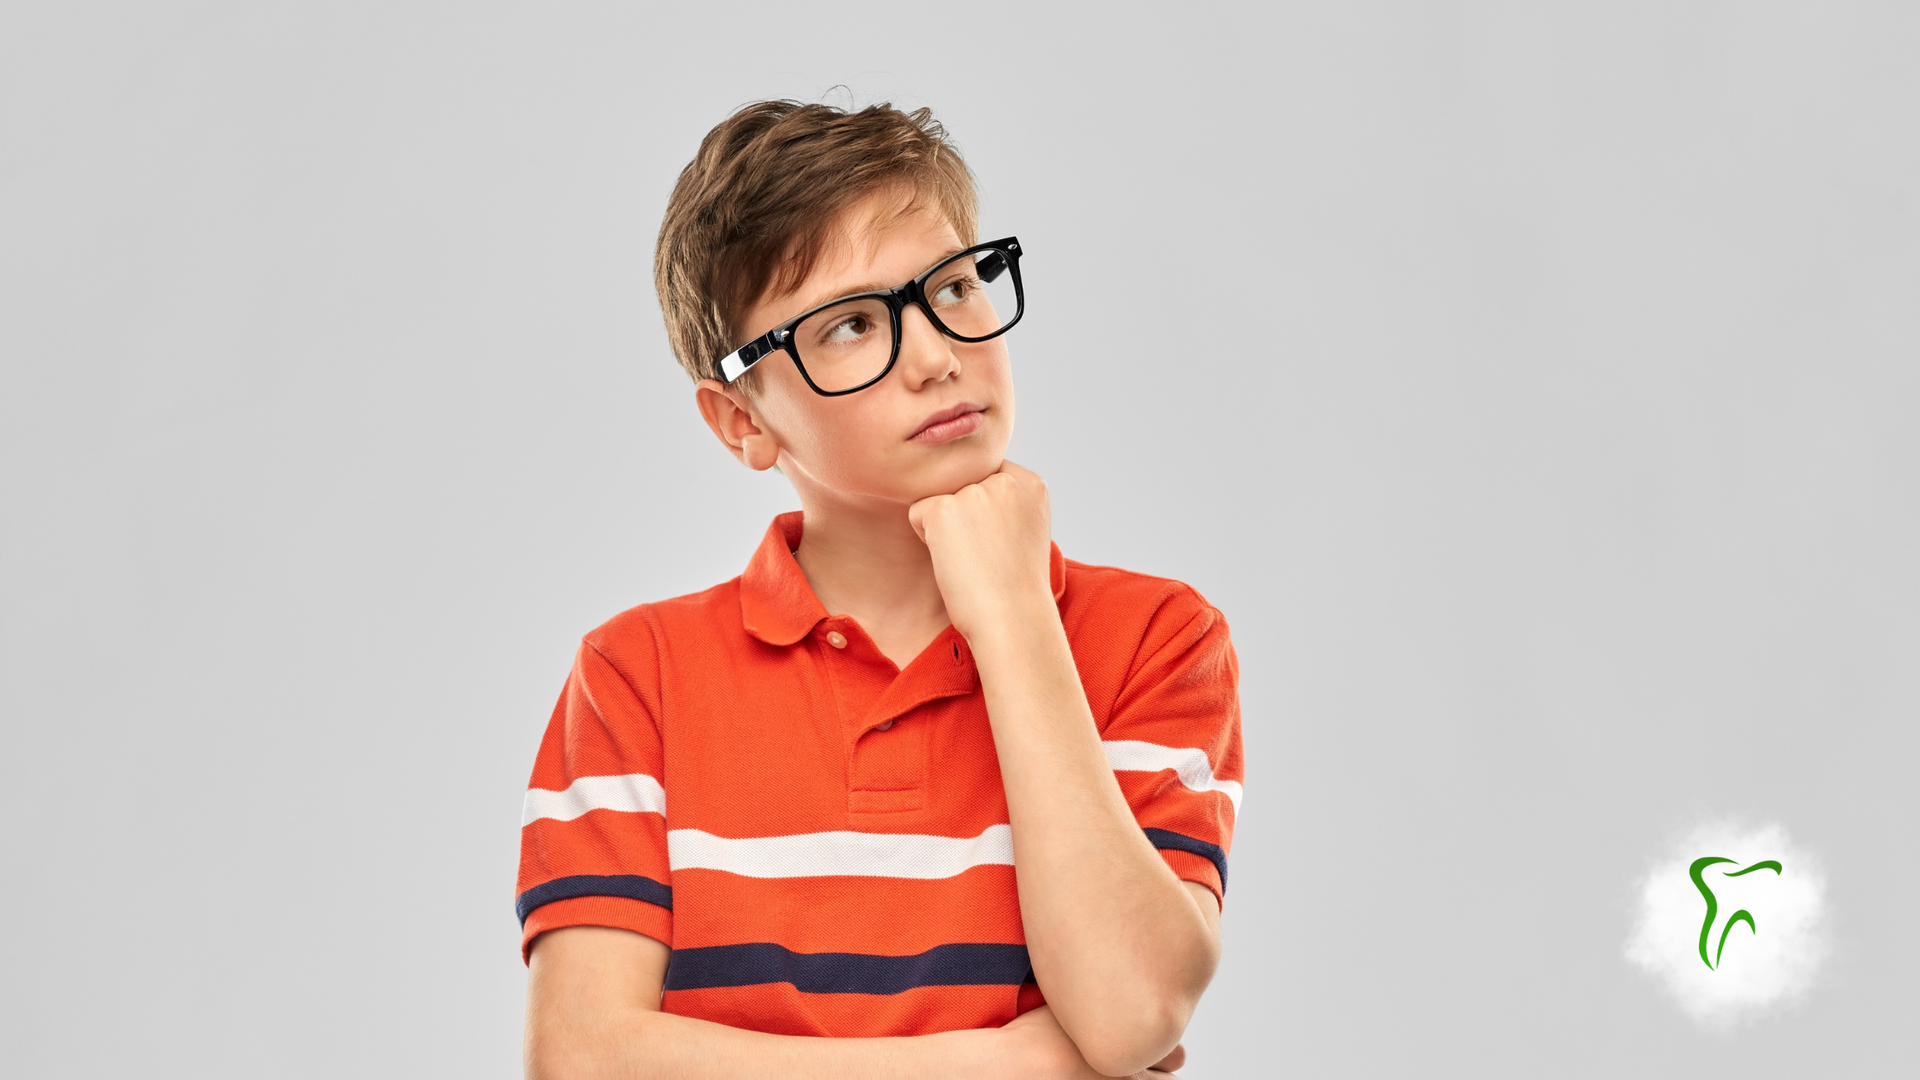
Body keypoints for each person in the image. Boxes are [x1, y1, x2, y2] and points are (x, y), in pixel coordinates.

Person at [515, 99, 1244, 1079]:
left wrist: (1016, 618)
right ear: (741, 424)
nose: (938, 355)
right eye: (854, 325)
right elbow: (584, 1057)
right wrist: (1023, 1065)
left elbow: (1131, 1008)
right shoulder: (636, 675)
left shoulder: (1153, 637)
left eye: (953, 286)